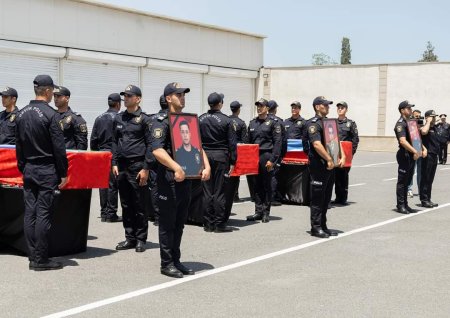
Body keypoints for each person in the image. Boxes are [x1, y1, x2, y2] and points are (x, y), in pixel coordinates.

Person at [152, 82, 210, 278]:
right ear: (169, 98)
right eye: (178, 94)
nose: (182, 97)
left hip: (186, 178)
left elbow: (197, 146)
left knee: (179, 222)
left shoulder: (187, 120)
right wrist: (176, 167)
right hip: (169, 178)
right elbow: (157, 150)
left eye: (184, 94)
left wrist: (206, 165)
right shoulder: (161, 121)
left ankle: (176, 260)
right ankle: (166, 263)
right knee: (167, 223)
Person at [15, 75, 68, 271]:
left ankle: (32, 256)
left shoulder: (21, 114)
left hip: (28, 168)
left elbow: (18, 145)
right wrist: (63, 172)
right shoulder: (51, 115)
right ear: (47, 91)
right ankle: (41, 259)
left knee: (30, 213)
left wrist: (23, 166)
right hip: (46, 169)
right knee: (43, 213)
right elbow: (59, 148)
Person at [112, 85, 152, 253]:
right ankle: (130, 237)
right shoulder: (119, 118)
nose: (126, 98)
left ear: (138, 98)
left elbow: (151, 145)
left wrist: (146, 168)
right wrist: (113, 162)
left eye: (129, 95)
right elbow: (114, 142)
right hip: (121, 166)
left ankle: (141, 239)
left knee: (139, 204)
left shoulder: (145, 119)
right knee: (126, 204)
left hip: (137, 166)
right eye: (124, 96)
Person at [306, 96, 345, 238]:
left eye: (328, 105)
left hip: (331, 164)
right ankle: (316, 227)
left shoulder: (329, 123)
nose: (328, 107)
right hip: (319, 165)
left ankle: (323, 224)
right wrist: (328, 159)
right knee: (317, 197)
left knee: (326, 197)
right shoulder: (313, 124)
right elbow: (316, 144)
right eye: (325, 105)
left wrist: (342, 156)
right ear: (317, 107)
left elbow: (336, 140)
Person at [199, 92, 237, 233]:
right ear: (220, 103)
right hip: (221, 157)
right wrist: (233, 161)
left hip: (205, 157)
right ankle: (220, 224)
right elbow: (232, 143)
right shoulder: (227, 121)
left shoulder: (200, 119)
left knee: (207, 192)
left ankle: (208, 224)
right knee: (220, 192)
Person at [246, 98, 282, 223]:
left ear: (267, 108)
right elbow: (248, 143)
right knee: (256, 185)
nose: (259, 108)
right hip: (254, 156)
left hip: (267, 155)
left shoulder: (273, 123)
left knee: (267, 185)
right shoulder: (252, 123)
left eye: (262, 106)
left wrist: (272, 160)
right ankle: (258, 211)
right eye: (258, 106)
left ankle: (266, 212)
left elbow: (278, 143)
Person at [90, 93, 122, 223]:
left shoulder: (99, 118)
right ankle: (111, 213)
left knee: (103, 184)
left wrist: (96, 153)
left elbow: (93, 140)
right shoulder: (119, 118)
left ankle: (103, 212)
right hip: (113, 153)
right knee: (113, 184)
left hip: (101, 154)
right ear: (118, 104)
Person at [394, 100, 427, 214]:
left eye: (411, 108)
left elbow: (416, 137)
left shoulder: (411, 122)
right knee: (402, 181)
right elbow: (403, 141)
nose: (411, 110)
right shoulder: (400, 124)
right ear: (402, 110)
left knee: (407, 181)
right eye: (408, 108)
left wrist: (423, 148)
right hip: (404, 154)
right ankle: (400, 205)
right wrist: (415, 151)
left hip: (412, 155)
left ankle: (406, 204)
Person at [332, 101, 359, 205]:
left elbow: (355, 139)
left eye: (342, 107)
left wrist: (350, 154)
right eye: (338, 107)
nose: (340, 109)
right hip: (334, 152)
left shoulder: (351, 123)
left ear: (346, 109)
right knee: (333, 176)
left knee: (343, 176)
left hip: (345, 155)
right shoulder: (332, 122)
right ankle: (336, 197)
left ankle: (342, 198)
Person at [53, 86, 88, 150]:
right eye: (54, 96)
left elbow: (82, 143)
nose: (56, 99)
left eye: (59, 96)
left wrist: (78, 158)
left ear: (67, 98)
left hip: (68, 157)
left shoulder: (76, 118)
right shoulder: (51, 116)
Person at [228, 100, 248, 203]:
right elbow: (245, 140)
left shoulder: (226, 120)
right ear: (238, 110)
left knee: (227, 174)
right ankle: (235, 195)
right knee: (236, 175)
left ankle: (228, 195)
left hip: (227, 151)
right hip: (237, 152)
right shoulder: (241, 123)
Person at [419, 110, 439, 208]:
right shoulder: (424, 127)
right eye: (432, 116)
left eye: (435, 117)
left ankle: (428, 199)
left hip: (434, 155)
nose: (434, 118)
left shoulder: (434, 128)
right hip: (427, 155)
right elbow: (423, 132)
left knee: (430, 179)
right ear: (427, 117)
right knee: (425, 178)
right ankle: (424, 200)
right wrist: (428, 121)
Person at [267, 99, 285, 206]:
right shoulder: (278, 121)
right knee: (273, 175)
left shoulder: (261, 120)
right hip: (275, 153)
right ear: (275, 109)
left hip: (264, 153)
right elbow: (282, 140)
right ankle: (272, 198)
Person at [407, 109, 423, 197]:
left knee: (420, 171)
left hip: (420, 150)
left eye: (419, 116)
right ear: (412, 116)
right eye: (416, 116)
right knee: (411, 171)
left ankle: (421, 189)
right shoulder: (410, 124)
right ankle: (409, 189)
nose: (418, 118)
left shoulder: (421, 125)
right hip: (412, 151)